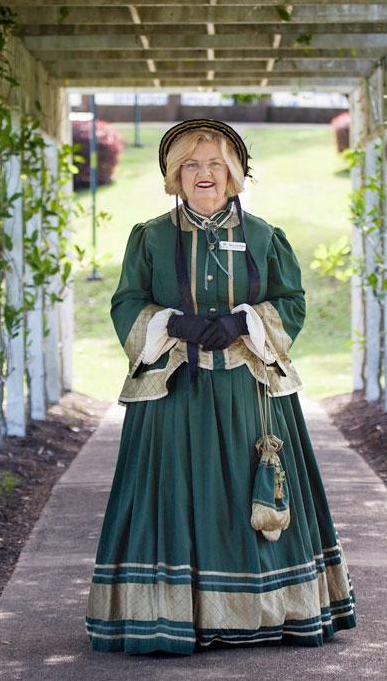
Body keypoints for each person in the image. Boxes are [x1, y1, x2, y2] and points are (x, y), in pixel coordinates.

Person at [85, 119, 356, 655]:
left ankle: (263, 612)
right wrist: (171, 323)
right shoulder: (149, 238)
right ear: (174, 175)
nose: (203, 173)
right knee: (178, 495)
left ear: (233, 174)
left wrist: (243, 323)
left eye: (214, 164)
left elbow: (292, 301)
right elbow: (126, 303)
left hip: (247, 393)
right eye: (190, 164)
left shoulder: (264, 236)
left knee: (246, 496)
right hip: (174, 394)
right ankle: (176, 616)